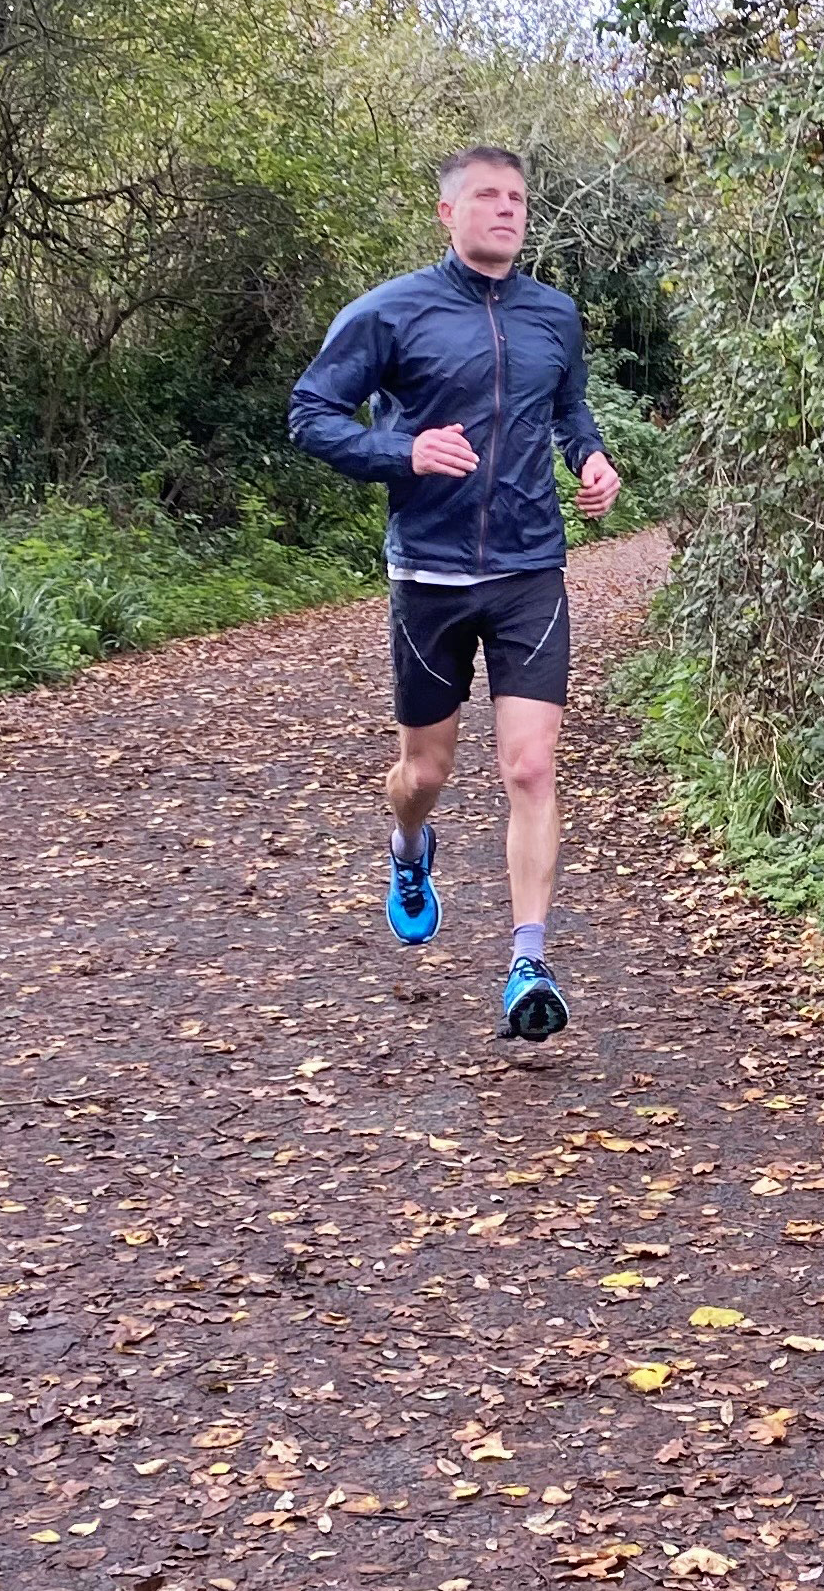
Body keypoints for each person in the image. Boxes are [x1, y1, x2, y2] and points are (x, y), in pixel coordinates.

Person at [286, 146, 619, 1042]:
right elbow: (311, 413)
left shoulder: (556, 315)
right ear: (448, 213)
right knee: (424, 773)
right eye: (487, 197)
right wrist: (402, 452)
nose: (506, 210)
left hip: (528, 571)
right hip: (429, 575)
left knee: (530, 766)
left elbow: (568, 409)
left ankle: (528, 961)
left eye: (516, 198)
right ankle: (408, 848)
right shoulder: (391, 312)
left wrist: (590, 457)